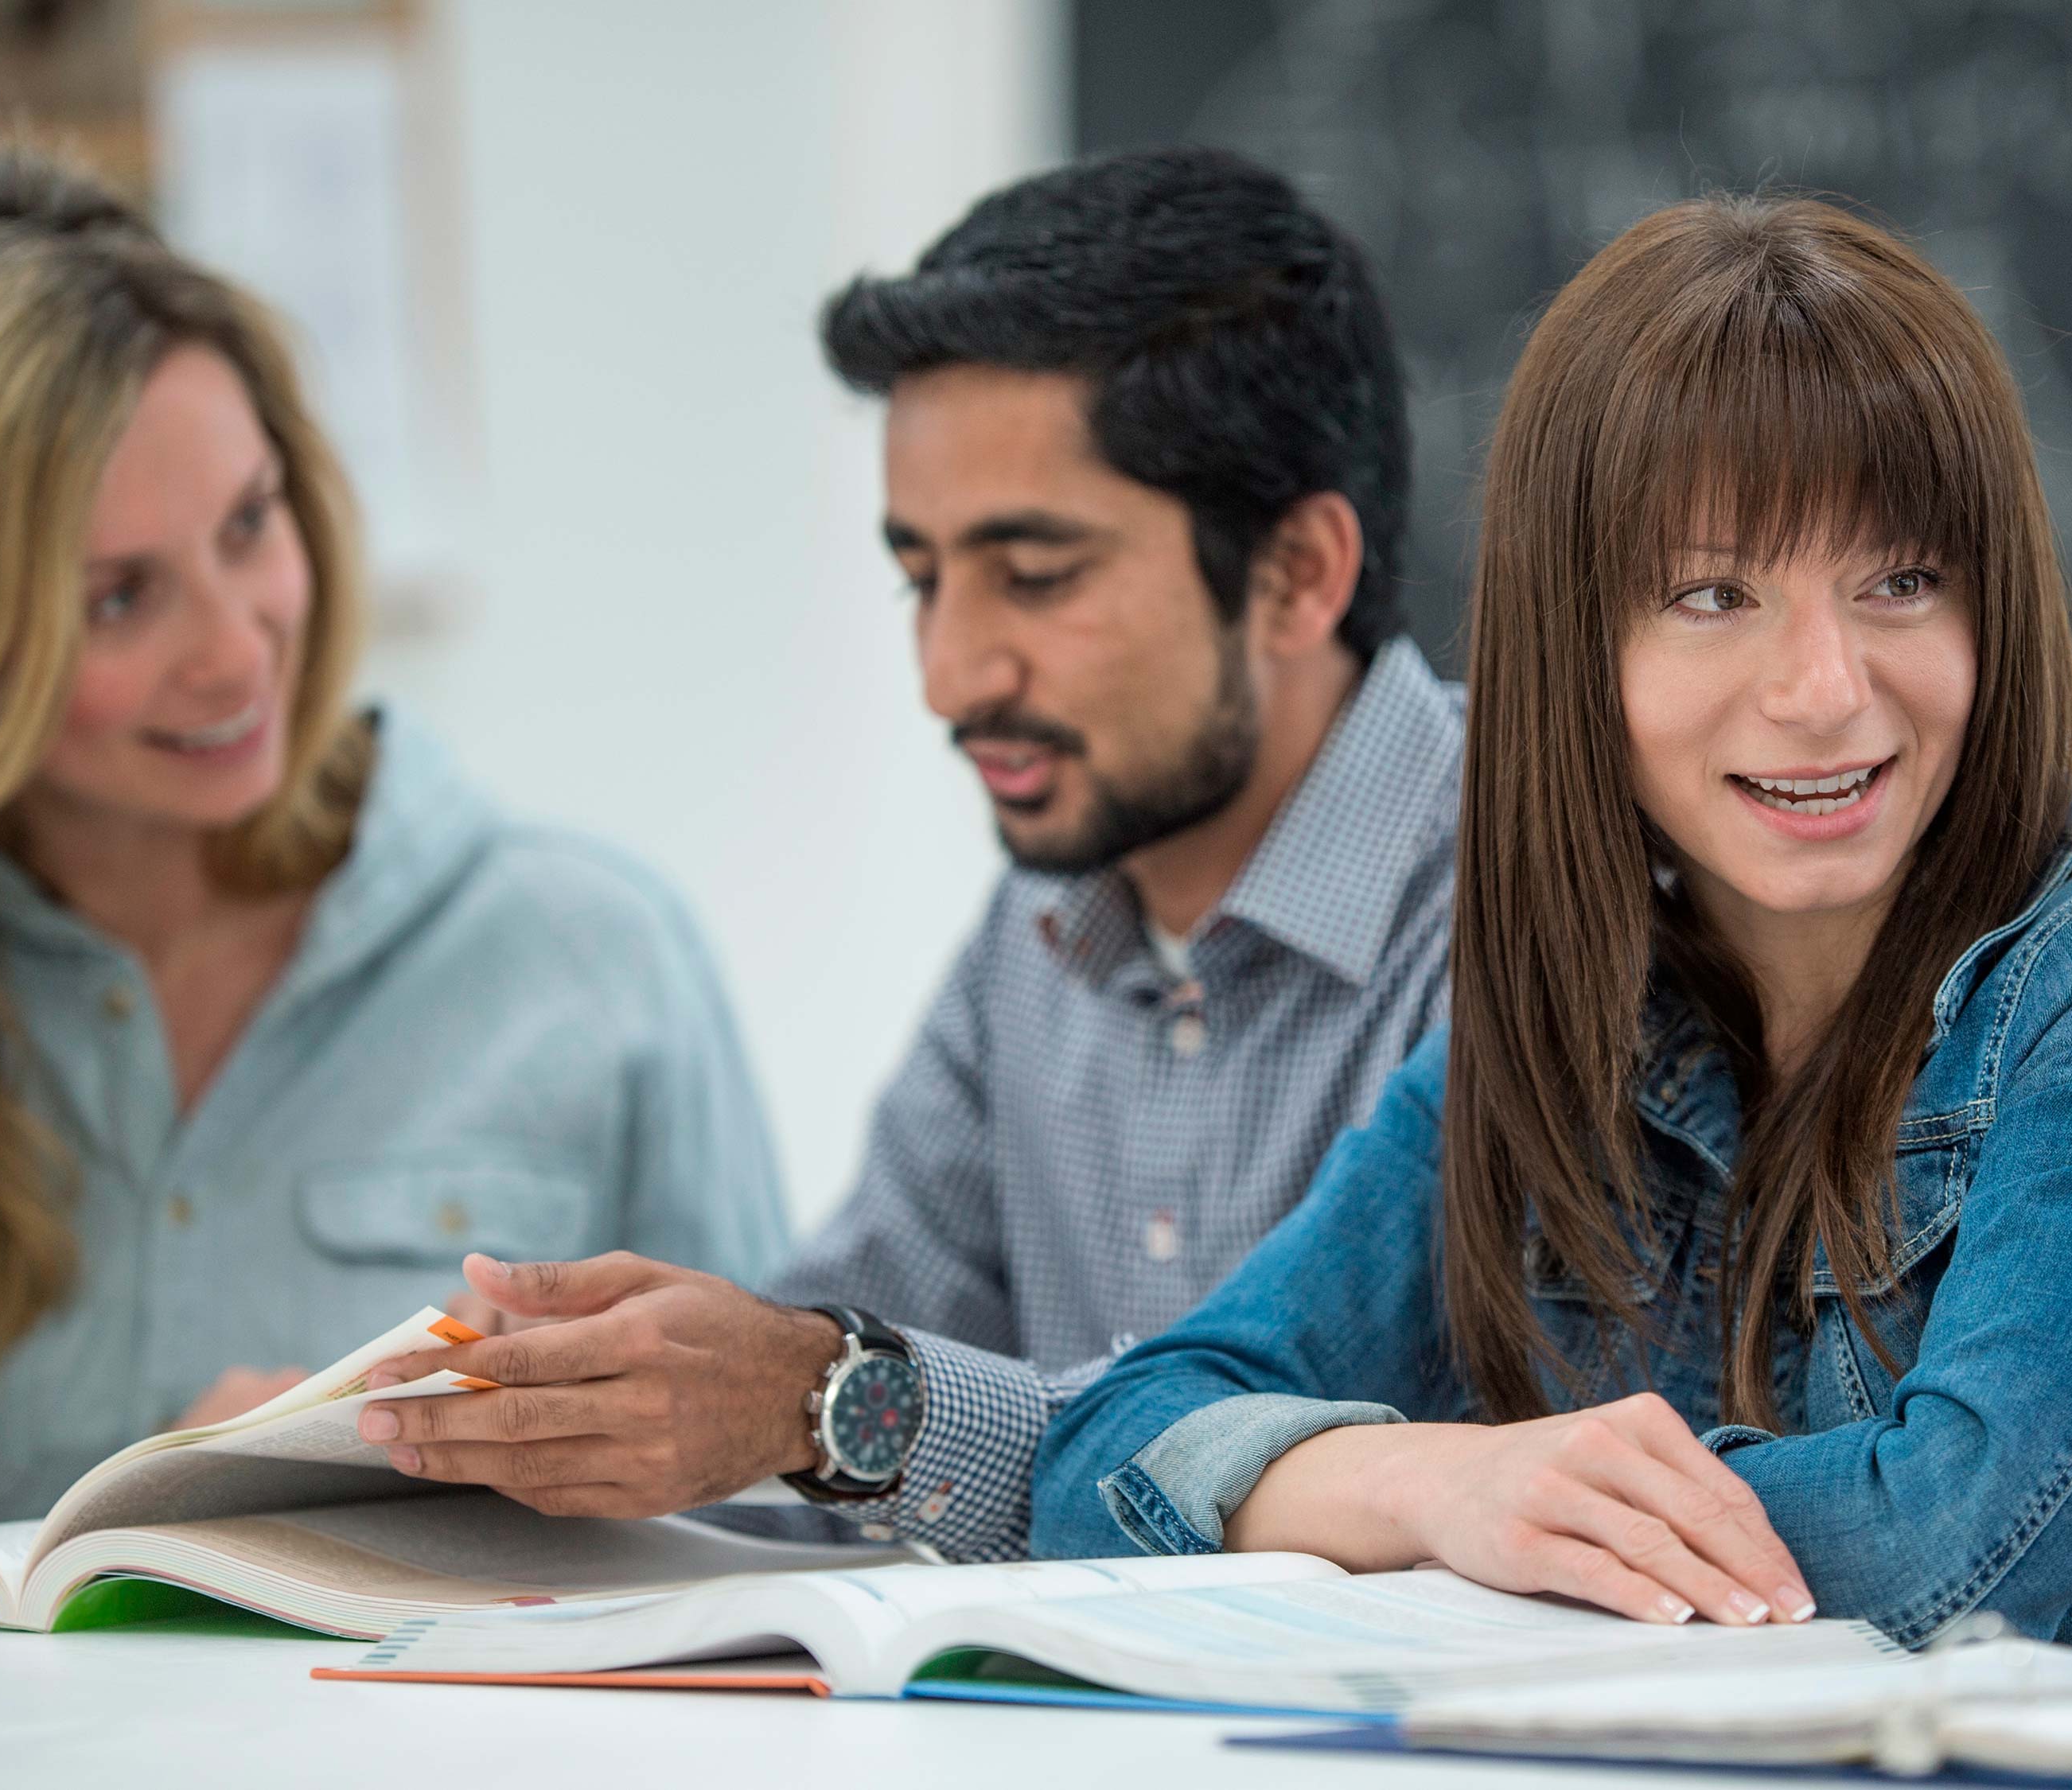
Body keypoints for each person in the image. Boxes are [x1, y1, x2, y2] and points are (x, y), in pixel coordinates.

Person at [1026, 195, 2072, 1652]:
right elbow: (1106, 1458)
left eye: (1903, 581)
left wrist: (1481, 1510)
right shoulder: (1577, 1021)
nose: (1823, 689)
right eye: (1713, 593)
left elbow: (1947, 1546)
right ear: (1573, 646)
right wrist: (1441, 1476)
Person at [346, 149, 1459, 1562]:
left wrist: (824, 1398)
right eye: (921, 578)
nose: (949, 676)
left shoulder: (1568, 905)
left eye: (1037, 577)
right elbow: (814, 1415)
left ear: (1300, 572)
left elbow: (1474, 1486)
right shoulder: (1045, 929)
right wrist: (547, 1415)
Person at [0, 152, 785, 1542]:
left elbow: (778, 1540)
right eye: (120, 598)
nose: (240, 648)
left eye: (251, 523)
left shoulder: (596, 955)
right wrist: (149, 1506)